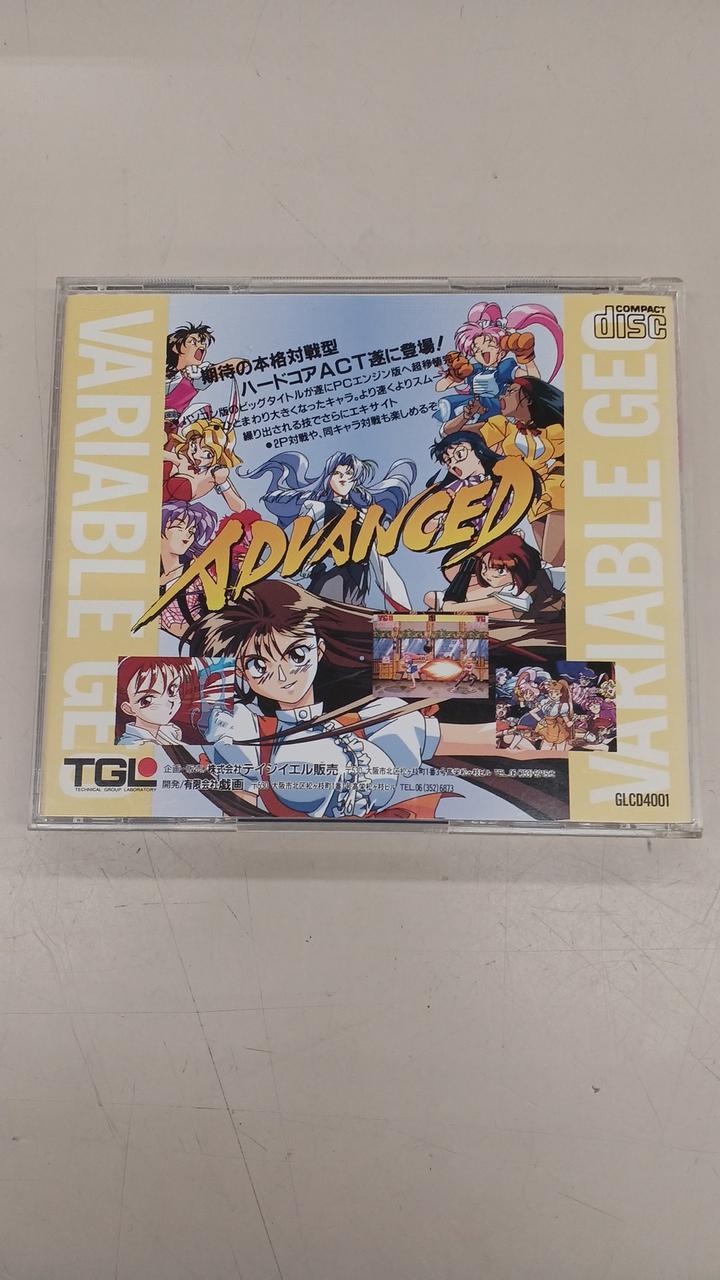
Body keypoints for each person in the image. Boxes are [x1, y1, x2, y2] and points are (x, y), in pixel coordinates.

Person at [182, 580, 509, 819]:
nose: (282, 676)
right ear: (242, 671)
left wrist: (536, 728)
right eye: (259, 665)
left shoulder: (381, 720)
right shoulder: (249, 736)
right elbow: (238, 812)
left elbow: (488, 739)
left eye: (296, 655)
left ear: (319, 650)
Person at [247, 450, 415, 609]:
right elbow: (279, 549)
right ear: (328, 477)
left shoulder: (364, 517)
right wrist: (306, 569)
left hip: (354, 597)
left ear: (355, 480)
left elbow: (382, 568)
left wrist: (404, 612)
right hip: (326, 589)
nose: (343, 478)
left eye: (349, 474)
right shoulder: (317, 508)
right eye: (337, 473)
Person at [434, 300, 563, 426]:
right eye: (476, 350)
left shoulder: (505, 368)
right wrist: (454, 375)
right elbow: (440, 387)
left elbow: (534, 379)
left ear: (501, 350)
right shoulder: (475, 370)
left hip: (499, 407)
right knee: (465, 404)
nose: (481, 351)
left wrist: (526, 357)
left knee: (482, 403)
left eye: (489, 345)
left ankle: (467, 412)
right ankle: (455, 410)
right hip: (475, 408)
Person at [479, 377, 565, 567]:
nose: (503, 396)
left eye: (510, 391)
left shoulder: (555, 430)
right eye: (504, 391)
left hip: (559, 492)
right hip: (533, 500)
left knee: (552, 562)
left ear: (528, 399)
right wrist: (465, 415)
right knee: (553, 564)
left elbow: (544, 451)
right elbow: (456, 433)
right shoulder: (505, 427)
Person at [426, 532, 565, 618]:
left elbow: (452, 609)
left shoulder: (528, 589)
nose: (486, 574)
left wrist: (449, 605)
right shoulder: (518, 580)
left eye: (499, 570)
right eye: (484, 566)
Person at [165, 322, 250, 420]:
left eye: (203, 344)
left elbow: (242, 364)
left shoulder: (197, 376)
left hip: (170, 424)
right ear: (175, 348)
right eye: (193, 342)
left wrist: (204, 374)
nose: (201, 347)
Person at [159, 500, 218, 638]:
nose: (187, 537)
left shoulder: (197, 573)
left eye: (191, 531)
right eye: (180, 528)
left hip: (196, 644)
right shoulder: (145, 573)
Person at [163, 418, 247, 513]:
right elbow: (156, 453)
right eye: (193, 447)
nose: (196, 456)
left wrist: (223, 483)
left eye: (207, 454)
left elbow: (240, 507)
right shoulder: (183, 460)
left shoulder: (213, 475)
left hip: (167, 513)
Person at [115, 657, 200, 746]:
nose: (168, 702)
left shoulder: (168, 732)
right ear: (128, 709)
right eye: (147, 700)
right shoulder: (134, 744)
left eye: (172, 690)